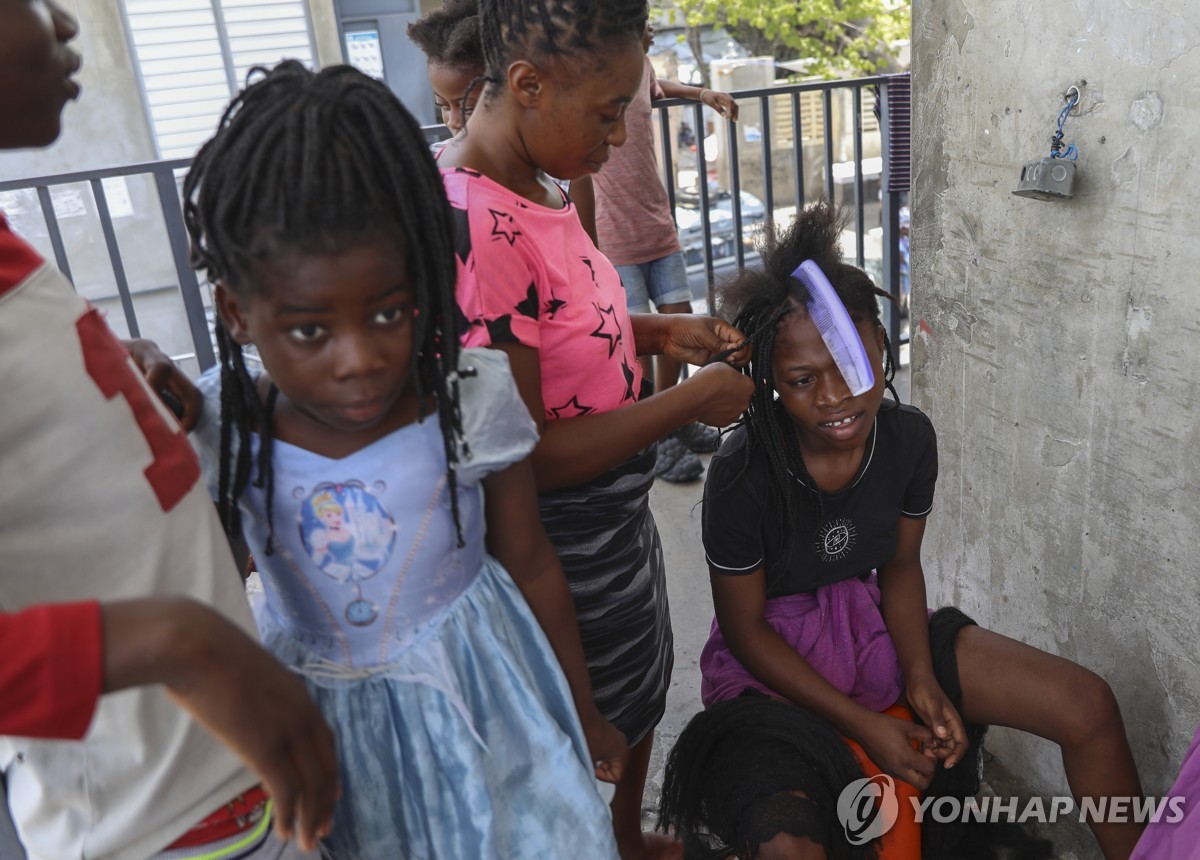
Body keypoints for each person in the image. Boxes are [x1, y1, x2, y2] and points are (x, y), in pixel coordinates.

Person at [182, 60, 626, 859]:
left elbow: (529, 559)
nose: (358, 359)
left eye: (388, 312)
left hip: (482, 703)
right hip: (320, 727)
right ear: (237, 314)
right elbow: (206, 600)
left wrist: (581, 710)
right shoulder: (230, 423)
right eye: (311, 330)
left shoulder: (468, 393)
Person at [675, 201, 1145, 860]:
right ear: (770, 384)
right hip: (771, 664)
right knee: (787, 842)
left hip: (870, 627)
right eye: (803, 380)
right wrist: (865, 723)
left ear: (881, 346)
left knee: (1087, 705)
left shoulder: (908, 439)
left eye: (852, 365)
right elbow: (747, 632)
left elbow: (899, 567)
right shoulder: (742, 471)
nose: (835, 396)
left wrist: (920, 675)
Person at [0, 3, 338, 858]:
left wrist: (107, 375)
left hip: (221, 787)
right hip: (148, 826)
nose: (66, 21)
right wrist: (177, 644)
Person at [437, 2, 755, 856]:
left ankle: (623, 837)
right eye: (609, 112)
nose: (619, 140)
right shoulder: (479, 229)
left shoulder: (538, 187)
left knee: (633, 695)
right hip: (561, 544)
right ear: (529, 85)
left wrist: (657, 334)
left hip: (612, 527)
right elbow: (525, 455)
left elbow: (562, 325)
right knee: (587, 727)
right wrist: (688, 401)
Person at [591, 22, 741, 483]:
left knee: (680, 317)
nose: (651, 30)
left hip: (657, 225)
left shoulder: (640, 69)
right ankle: (655, 431)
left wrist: (702, 94)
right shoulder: (595, 77)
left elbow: (656, 87)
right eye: (641, 23)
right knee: (636, 340)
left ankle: (670, 416)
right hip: (614, 236)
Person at [407, 0, 598, 244]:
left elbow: (593, 265)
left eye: (467, 107)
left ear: (514, 91)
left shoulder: (564, 175)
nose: (453, 121)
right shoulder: (431, 174)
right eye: (443, 106)